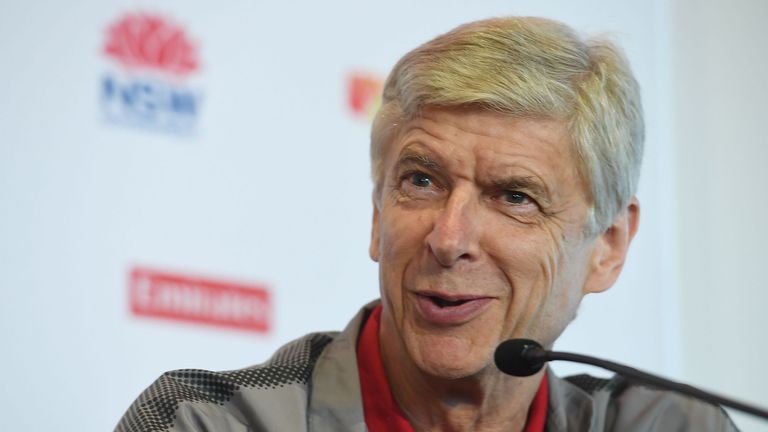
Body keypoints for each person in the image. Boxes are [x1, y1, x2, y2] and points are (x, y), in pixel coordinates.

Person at [116, 16, 737, 432]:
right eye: (421, 181)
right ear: (377, 214)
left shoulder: (671, 426)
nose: (449, 238)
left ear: (608, 247)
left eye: (515, 196)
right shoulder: (205, 423)